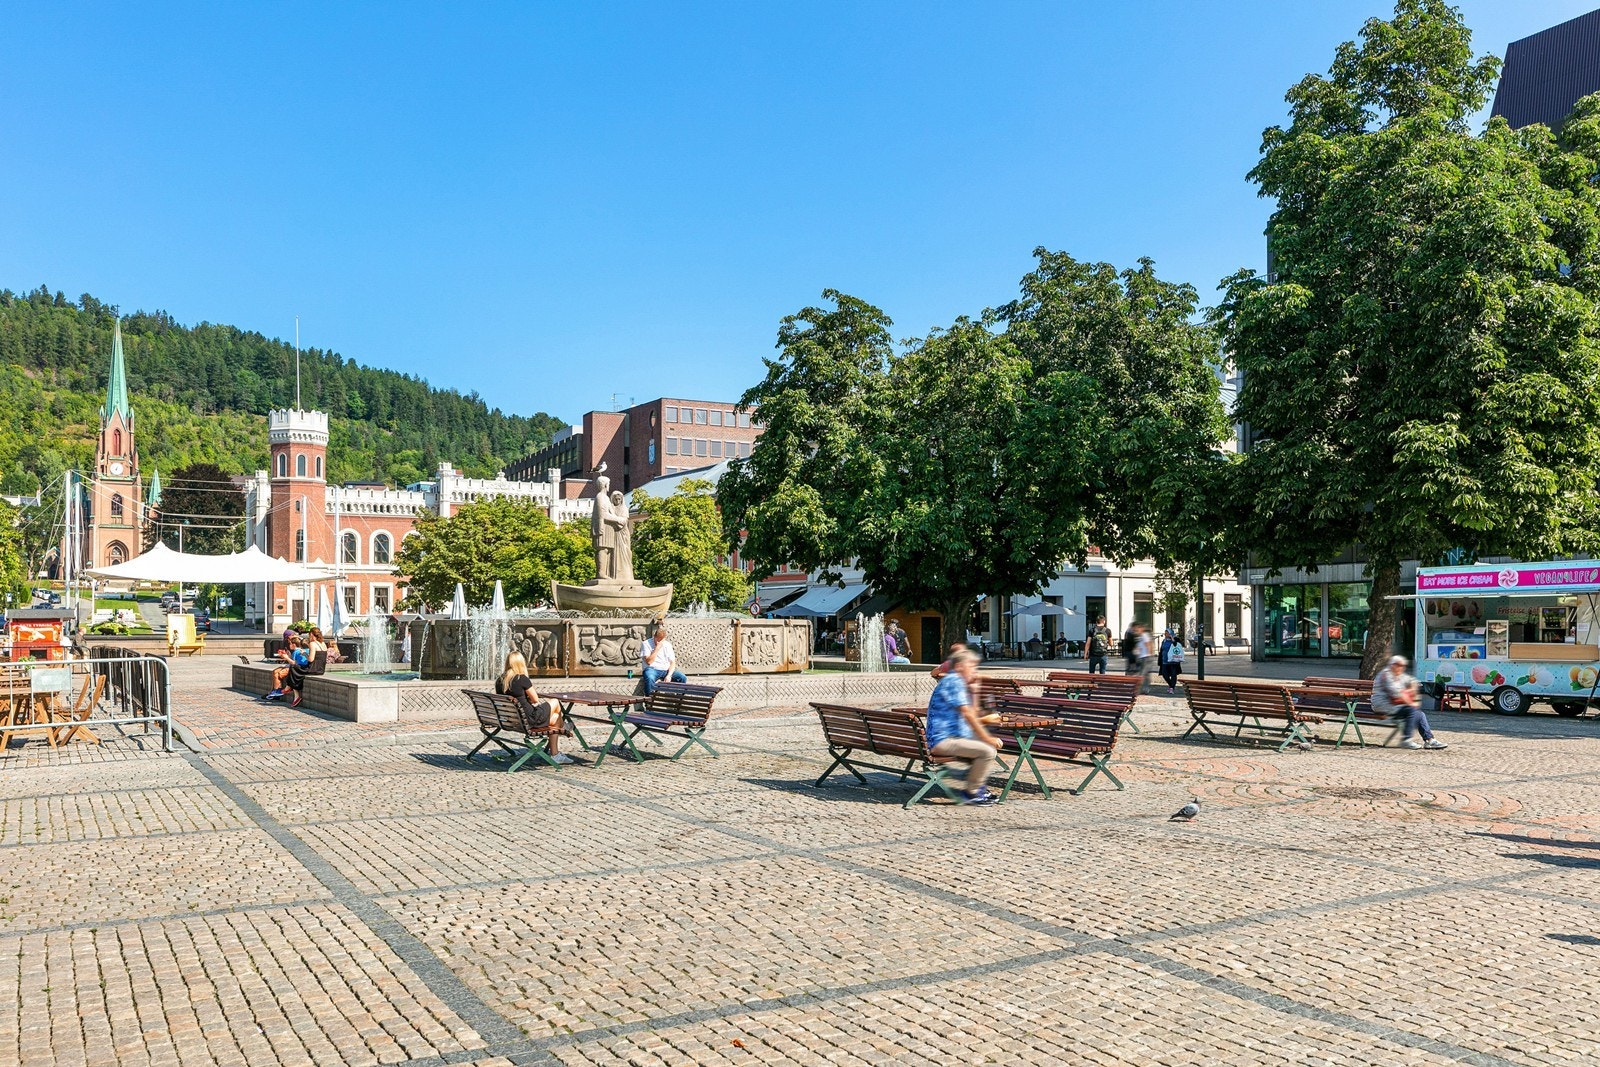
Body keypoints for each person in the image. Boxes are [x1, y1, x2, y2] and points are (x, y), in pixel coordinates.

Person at [924, 648, 1005, 805]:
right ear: (960, 665)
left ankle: (977, 787)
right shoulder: (954, 681)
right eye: (972, 666)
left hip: (947, 737)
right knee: (987, 751)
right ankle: (971, 793)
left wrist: (974, 691)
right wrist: (987, 738)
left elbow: (972, 713)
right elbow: (968, 714)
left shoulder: (954, 681)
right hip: (942, 741)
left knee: (981, 746)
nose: (975, 671)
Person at [496, 651, 570, 763]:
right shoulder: (521, 678)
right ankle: (564, 728)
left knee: (554, 719)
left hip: (513, 720)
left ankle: (556, 754)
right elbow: (535, 699)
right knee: (555, 702)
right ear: (521, 664)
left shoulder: (500, 680)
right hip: (529, 719)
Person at [1373, 655, 1448, 750]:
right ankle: (1406, 740)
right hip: (1383, 706)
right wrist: (1411, 702)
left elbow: (1412, 681)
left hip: (1394, 705)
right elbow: (1397, 694)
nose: (1403, 668)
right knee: (1412, 710)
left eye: (1403, 666)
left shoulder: (1397, 674)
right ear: (1394, 665)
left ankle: (1430, 740)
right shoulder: (1386, 675)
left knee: (1420, 714)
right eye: (1401, 665)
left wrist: (1412, 687)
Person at [640, 624, 687, 693]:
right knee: (650, 678)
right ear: (654, 637)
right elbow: (649, 662)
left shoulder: (667, 645)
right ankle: (649, 700)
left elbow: (672, 663)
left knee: (682, 677)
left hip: (666, 669)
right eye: (657, 640)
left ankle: (679, 699)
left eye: (661, 640)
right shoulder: (646, 644)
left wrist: (669, 675)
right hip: (652, 669)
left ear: (664, 638)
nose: (658, 642)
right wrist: (657, 649)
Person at [264, 635, 308, 700]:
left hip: (295, 668)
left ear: (294, 645)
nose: (289, 645)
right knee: (275, 671)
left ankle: (277, 691)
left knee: (279, 674)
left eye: (290, 644)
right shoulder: (297, 651)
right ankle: (276, 690)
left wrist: (286, 657)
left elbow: (293, 663)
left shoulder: (297, 651)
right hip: (294, 667)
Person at [1160, 630, 1185, 695]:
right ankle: (1171, 685)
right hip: (1165, 660)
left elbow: (1176, 644)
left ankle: (1172, 688)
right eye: (1165, 633)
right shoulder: (1164, 641)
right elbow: (1161, 649)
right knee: (1164, 674)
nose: (1165, 634)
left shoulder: (1175, 639)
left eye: (1167, 633)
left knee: (1173, 674)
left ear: (1170, 633)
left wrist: (1172, 638)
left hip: (1173, 660)